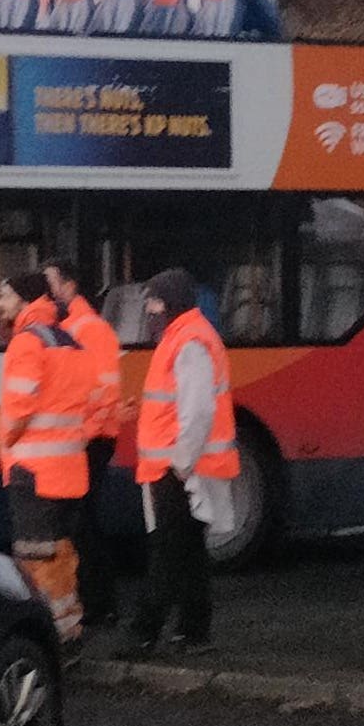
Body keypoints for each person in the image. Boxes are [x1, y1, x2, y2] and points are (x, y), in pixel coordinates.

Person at [121, 268, 239, 658]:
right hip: (179, 466)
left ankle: (143, 634)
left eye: (154, 300)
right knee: (187, 551)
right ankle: (194, 630)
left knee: (167, 552)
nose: (150, 308)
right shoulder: (186, 336)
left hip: (178, 468)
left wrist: (182, 463)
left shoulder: (187, 342)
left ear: (170, 301)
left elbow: (197, 411)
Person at [0, 276, 90, 647]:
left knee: (36, 561)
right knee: (61, 558)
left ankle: (49, 641)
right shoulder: (69, 340)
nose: (0, 303)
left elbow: (19, 409)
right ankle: (69, 630)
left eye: (5, 295)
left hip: (32, 473)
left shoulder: (26, 343)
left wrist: (5, 442)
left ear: (23, 299)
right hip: (68, 472)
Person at [44, 259, 126, 628]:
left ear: (70, 286)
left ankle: (100, 603)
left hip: (91, 439)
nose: (49, 292)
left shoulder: (89, 330)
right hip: (81, 438)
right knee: (79, 522)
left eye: (52, 284)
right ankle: (93, 600)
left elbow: (103, 392)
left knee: (82, 523)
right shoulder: (70, 327)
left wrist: (79, 434)